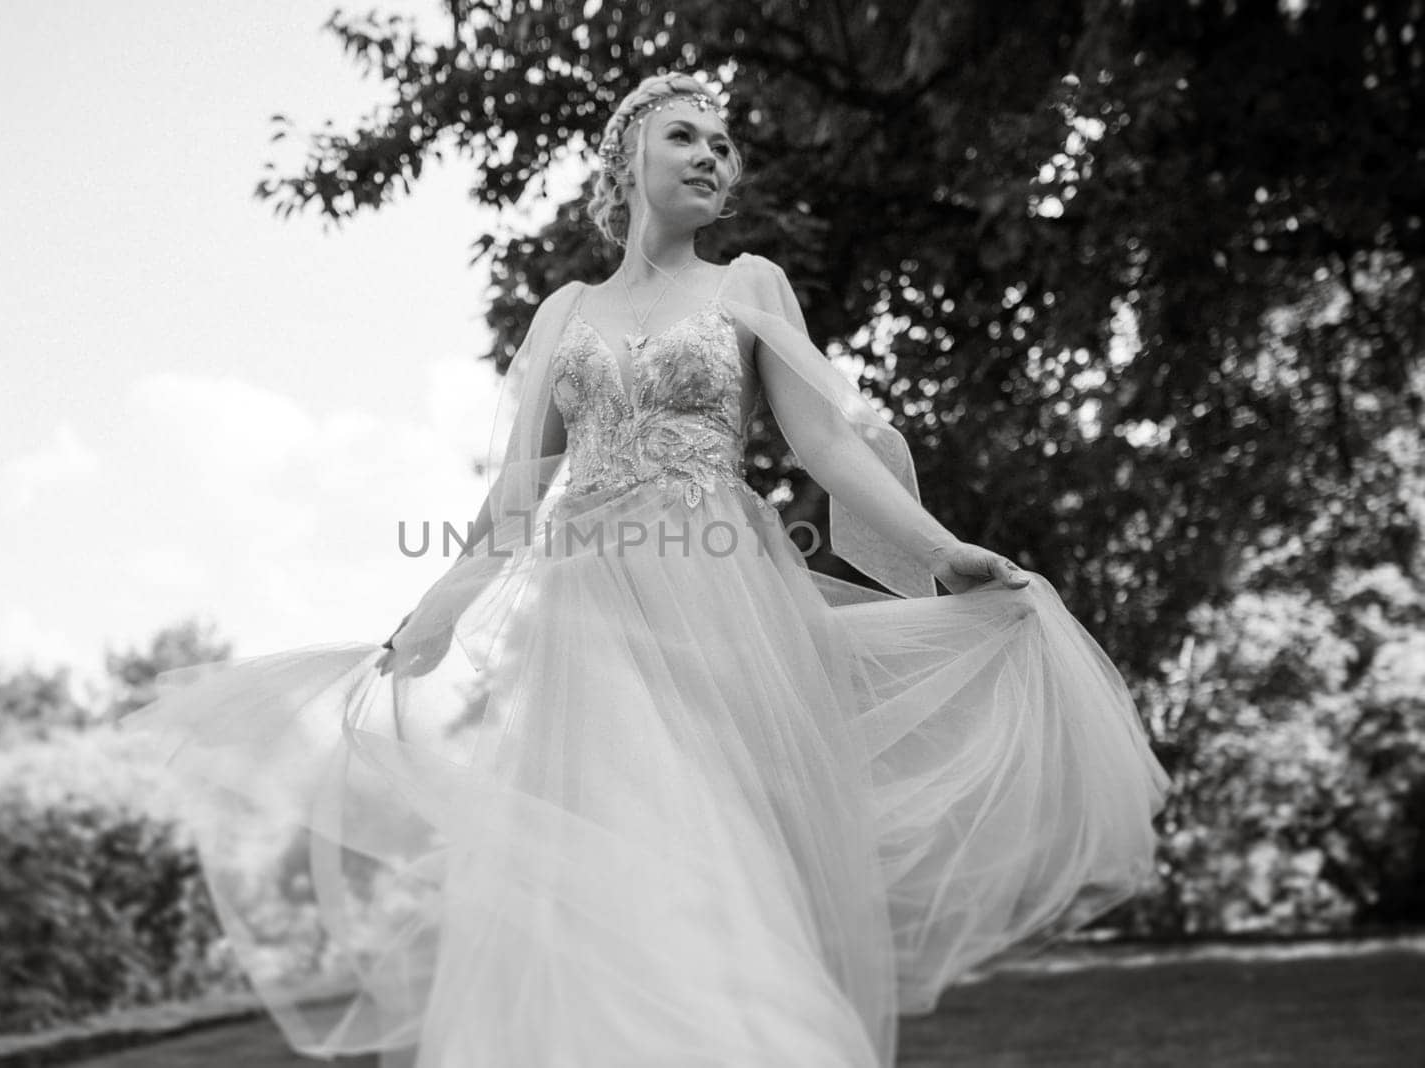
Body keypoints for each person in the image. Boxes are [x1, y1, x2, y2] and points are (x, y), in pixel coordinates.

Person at [123, 72, 1170, 1068]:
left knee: (705, 847)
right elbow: (514, 501)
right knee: (610, 857)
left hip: (715, 603)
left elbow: (829, 445)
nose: (713, 153)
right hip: (581, 612)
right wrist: (432, 611)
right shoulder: (561, 312)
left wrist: (940, 546)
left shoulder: (746, 283)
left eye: (724, 144)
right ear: (626, 159)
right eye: (686, 135)